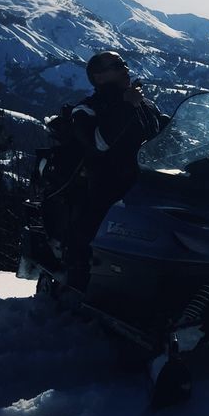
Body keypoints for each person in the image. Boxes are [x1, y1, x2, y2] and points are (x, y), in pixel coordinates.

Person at [63, 50, 167, 290]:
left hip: (151, 184)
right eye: (117, 65)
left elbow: (167, 134)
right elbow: (99, 143)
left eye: (125, 64)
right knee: (94, 223)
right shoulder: (87, 110)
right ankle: (81, 284)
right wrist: (126, 106)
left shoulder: (144, 106)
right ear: (98, 78)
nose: (126, 69)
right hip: (109, 187)